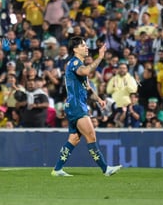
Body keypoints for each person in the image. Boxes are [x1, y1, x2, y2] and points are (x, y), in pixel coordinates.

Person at [51, 36, 122, 177]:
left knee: (74, 139)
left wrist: (99, 99)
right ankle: (105, 169)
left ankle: (57, 169)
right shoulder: (74, 63)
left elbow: (87, 88)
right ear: (75, 49)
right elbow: (86, 71)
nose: (86, 47)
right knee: (91, 135)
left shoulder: (79, 64)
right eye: (83, 45)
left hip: (74, 105)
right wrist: (100, 56)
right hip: (77, 106)